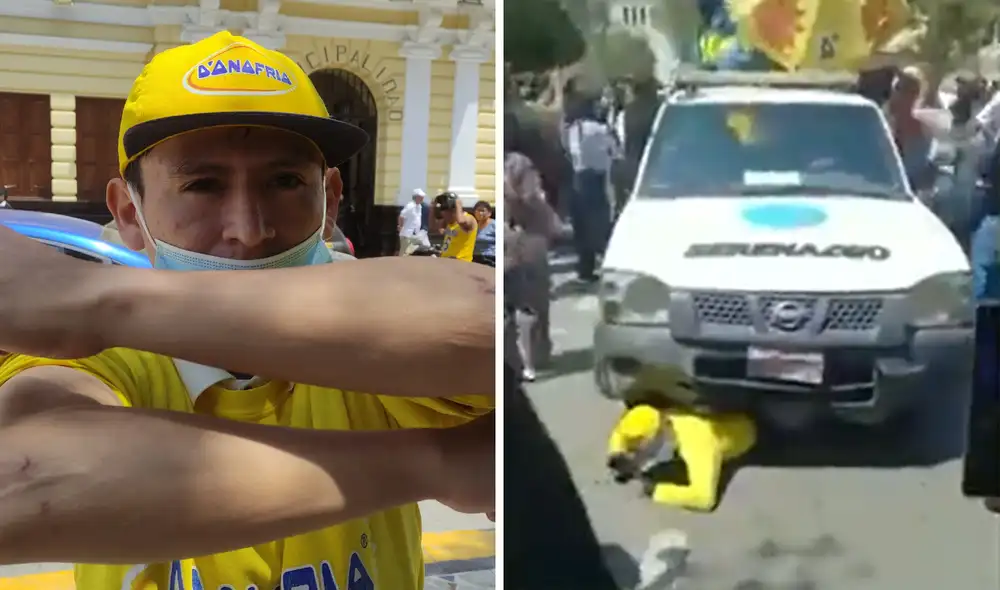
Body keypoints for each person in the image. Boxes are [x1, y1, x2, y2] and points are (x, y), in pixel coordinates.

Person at [0, 31, 494, 586]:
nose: (249, 230)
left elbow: (490, 326)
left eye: (284, 182)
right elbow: (23, 478)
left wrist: (76, 298)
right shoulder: (110, 362)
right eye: (203, 185)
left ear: (330, 201)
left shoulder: (376, 340)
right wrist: (434, 465)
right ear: (128, 213)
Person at [505, 152, 561, 380]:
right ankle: (525, 360)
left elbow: (555, 225)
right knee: (526, 313)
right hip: (519, 263)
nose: (534, 179)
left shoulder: (535, 200)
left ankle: (536, 355)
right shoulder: (507, 201)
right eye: (529, 175)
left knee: (536, 310)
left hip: (531, 260)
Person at [562, 94, 619, 282]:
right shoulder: (601, 130)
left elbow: (568, 152)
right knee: (600, 223)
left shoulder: (572, 130)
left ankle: (584, 269)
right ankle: (605, 262)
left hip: (576, 178)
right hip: (596, 179)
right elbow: (616, 151)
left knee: (581, 226)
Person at [435, 191, 478, 261]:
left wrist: (458, 204)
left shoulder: (469, 219)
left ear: (454, 209)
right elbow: (433, 227)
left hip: (461, 262)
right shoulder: (449, 223)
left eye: (445, 208)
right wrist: (433, 207)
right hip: (445, 261)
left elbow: (461, 221)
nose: (443, 212)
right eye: (442, 208)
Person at [398, 188, 430, 254]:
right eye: (421, 197)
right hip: (407, 233)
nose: (422, 198)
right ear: (416, 197)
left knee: (425, 245)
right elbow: (401, 216)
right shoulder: (410, 206)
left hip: (415, 234)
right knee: (404, 252)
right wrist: (400, 226)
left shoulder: (419, 207)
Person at [472, 200, 496, 265]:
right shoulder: (474, 225)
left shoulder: (495, 224)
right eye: (478, 210)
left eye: (482, 211)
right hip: (476, 258)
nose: (480, 213)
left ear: (489, 213)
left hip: (491, 258)